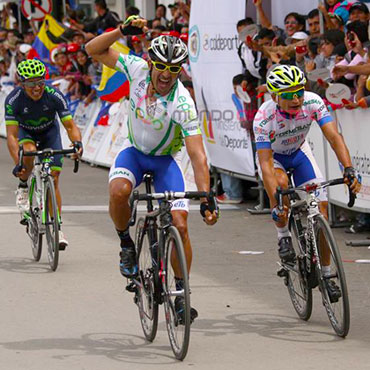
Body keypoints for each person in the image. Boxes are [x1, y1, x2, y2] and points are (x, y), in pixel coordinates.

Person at [86, 16, 218, 320]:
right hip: (133, 152)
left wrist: (207, 196)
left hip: (164, 162)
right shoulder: (137, 69)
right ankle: (126, 243)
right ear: (151, 63)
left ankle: (182, 292)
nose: (167, 75)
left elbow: (197, 155)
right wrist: (121, 31)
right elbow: (93, 49)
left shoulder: (182, 102)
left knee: (181, 225)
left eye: (174, 70)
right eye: (162, 67)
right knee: (119, 192)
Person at [253, 64, 360, 300]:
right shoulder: (263, 117)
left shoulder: (312, 102)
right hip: (275, 158)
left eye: (299, 91)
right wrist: (278, 200)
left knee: (320, 209)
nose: (297, 98)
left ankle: (326, 273)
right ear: (275, 96)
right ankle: (283, 236)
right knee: (280, 188)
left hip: (300, 153)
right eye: (289, 94)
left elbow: (334, 136)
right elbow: (266, 165)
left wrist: (349, 168)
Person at [5, 59, 83, 248]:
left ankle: (57, 228)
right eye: (31, 83)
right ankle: (24, 185)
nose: (37, 87)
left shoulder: (55, 95)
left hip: (49, 133)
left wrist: (77, 143)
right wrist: (19, 163)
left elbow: (70, 125)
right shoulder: (13, 100)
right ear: (22, 84)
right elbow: (12, 136)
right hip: (26, 133)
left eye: (40, 82)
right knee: (29, 153)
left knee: (54, 178)